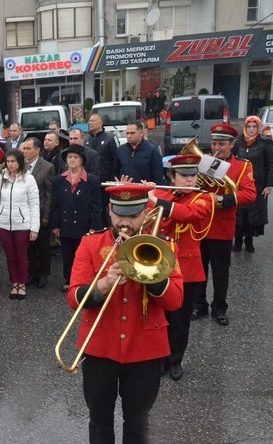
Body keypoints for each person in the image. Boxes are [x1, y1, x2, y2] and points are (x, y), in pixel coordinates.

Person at [69, 184, 183, 444]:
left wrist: (151, 276)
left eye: (133, 215)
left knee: (138, 425)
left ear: (147, 213)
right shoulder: (91, 243)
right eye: (120, 214)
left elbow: (175, 301)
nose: (125, 222)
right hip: (99, 349)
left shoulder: (164, 247)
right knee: (99, 422)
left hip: (145, 351)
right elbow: (74, 298)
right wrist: (104, 284)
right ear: (110, 211)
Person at [146, 154, 214, 381]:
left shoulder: (203, 198)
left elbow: (190, 215)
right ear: (171, 176)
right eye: (184, 176)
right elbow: (144, 218)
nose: (190, 180)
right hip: (159, 266)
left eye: (193, 175)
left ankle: (175, 360)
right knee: (159, 316)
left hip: (187, 270)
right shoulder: (160, 194)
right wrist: (138, 190)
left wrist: (157, 201)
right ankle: (159, 358)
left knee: (180, 320)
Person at [193, 124, 256, 326]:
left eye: (221, 143)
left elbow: (249, 193)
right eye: (214, 143)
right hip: (200, 225)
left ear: (231, 144)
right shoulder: (205, 162)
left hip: (222, 225)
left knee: (221, 271)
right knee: (199, 269)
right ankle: (199, 304)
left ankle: (219, 308)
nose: (216, 147)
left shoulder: (242, 166)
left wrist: (222, 199)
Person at [0, 149, 40, 299]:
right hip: (3, 224)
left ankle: (22, 284)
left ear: (20, 162)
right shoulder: (1, 178)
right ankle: (14, 283)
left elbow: (35, 204)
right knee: (10, 256)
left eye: (13, 161)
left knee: (21, 256)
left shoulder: (28, 179)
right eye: (8, 161)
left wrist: (34, 228)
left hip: (23, 224)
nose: (10, 164)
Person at [50, 145, 102, 292]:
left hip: (84, 224)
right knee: (67, 255)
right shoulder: (59, 179)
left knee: (84, 254)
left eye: (75, 157)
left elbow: (97, 206)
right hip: (65, 224)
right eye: (70, 157)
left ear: (82, 160)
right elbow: (55, 204)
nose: (72, 160)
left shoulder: (91, 180)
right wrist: (55, 225)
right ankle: (69, 280)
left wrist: (95, 226)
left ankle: (84, 280)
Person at [232, 116, 273, 252]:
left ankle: (249, 241)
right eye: (249, 126)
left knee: (253, 215)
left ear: (258, 128)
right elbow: (231, 161)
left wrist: (269, 185)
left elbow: (270, 165)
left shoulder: (265, 143)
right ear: (245, 127)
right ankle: (238, 240)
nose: (251, 130)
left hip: (258, 185)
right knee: (239, 213)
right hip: (239, 184)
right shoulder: (238, 142)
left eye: (254, 127)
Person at [21, 137, 55, 289]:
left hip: (40, 213)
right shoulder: (21, 166)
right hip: (24, 213)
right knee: (29, 246)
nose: (25, 151)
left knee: (43, 245)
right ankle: (32, 272)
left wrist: (46, 215)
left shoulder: (47, 167)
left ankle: (44, 274)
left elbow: (49, 193)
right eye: (24, 148)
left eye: (28, 149)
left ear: (37, 150)